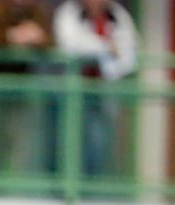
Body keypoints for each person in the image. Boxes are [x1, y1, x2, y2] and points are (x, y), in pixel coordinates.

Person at [52, 0, 138, 178]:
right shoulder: (70, 13)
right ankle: (68, 188)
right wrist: (106, 47)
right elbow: (71, 44)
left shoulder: (118, 16)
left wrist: (105, 49)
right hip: (74, 93)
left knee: (101, 143)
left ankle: (93, 189)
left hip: (104, 92)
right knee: (70, 143)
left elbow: (130, 50)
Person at [0, 0, 52, 176]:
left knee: (19, 144)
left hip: (20, 92)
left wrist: (37, 38)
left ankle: (15, 188)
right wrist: (12, 36)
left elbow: (50, 42)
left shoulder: (36, 13)